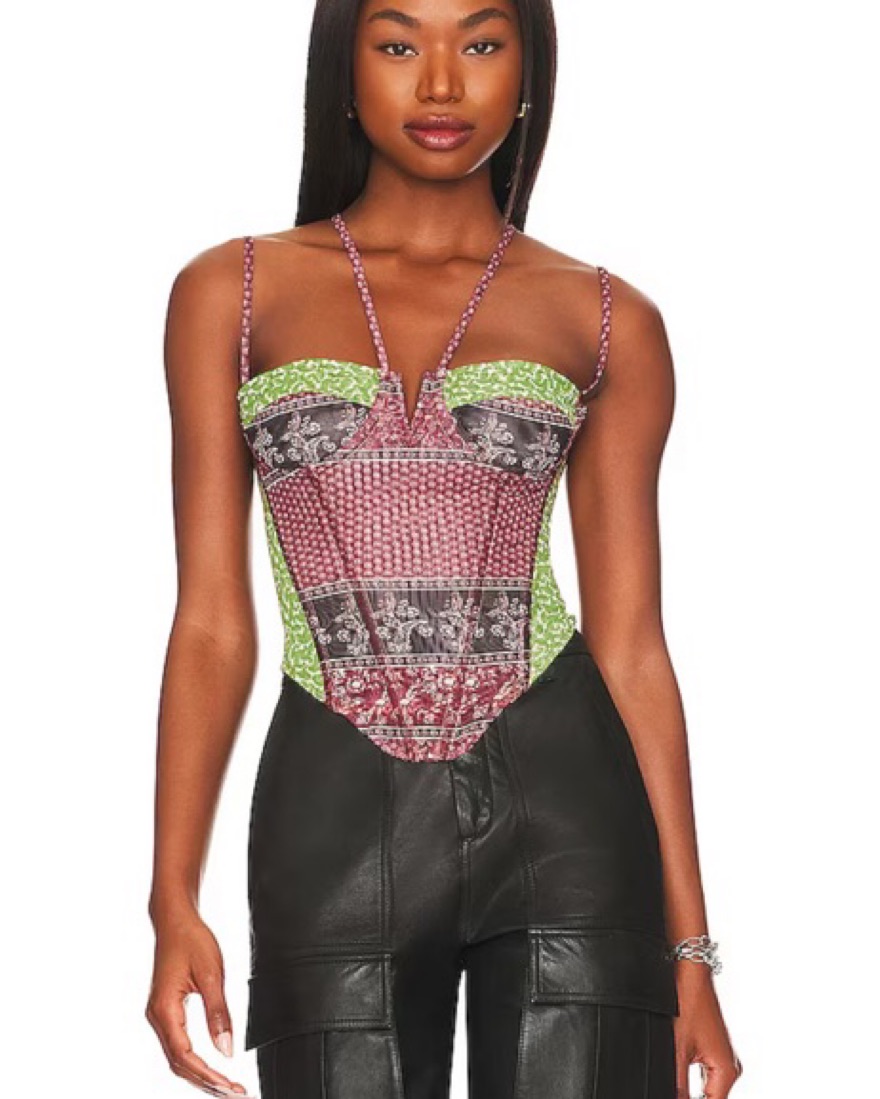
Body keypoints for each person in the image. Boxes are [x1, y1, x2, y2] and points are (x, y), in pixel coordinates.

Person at [146, 2, 743, 1097]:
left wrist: (691, 948)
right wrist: (170, 894)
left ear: (528, 71)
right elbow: (212, 620)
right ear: (343, 70)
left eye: (478, 43)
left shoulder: (606, 318)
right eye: (396, 44)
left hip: (569, 808)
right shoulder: (232, 292)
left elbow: (632, 645)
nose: (438, 84)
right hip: (331, 808)